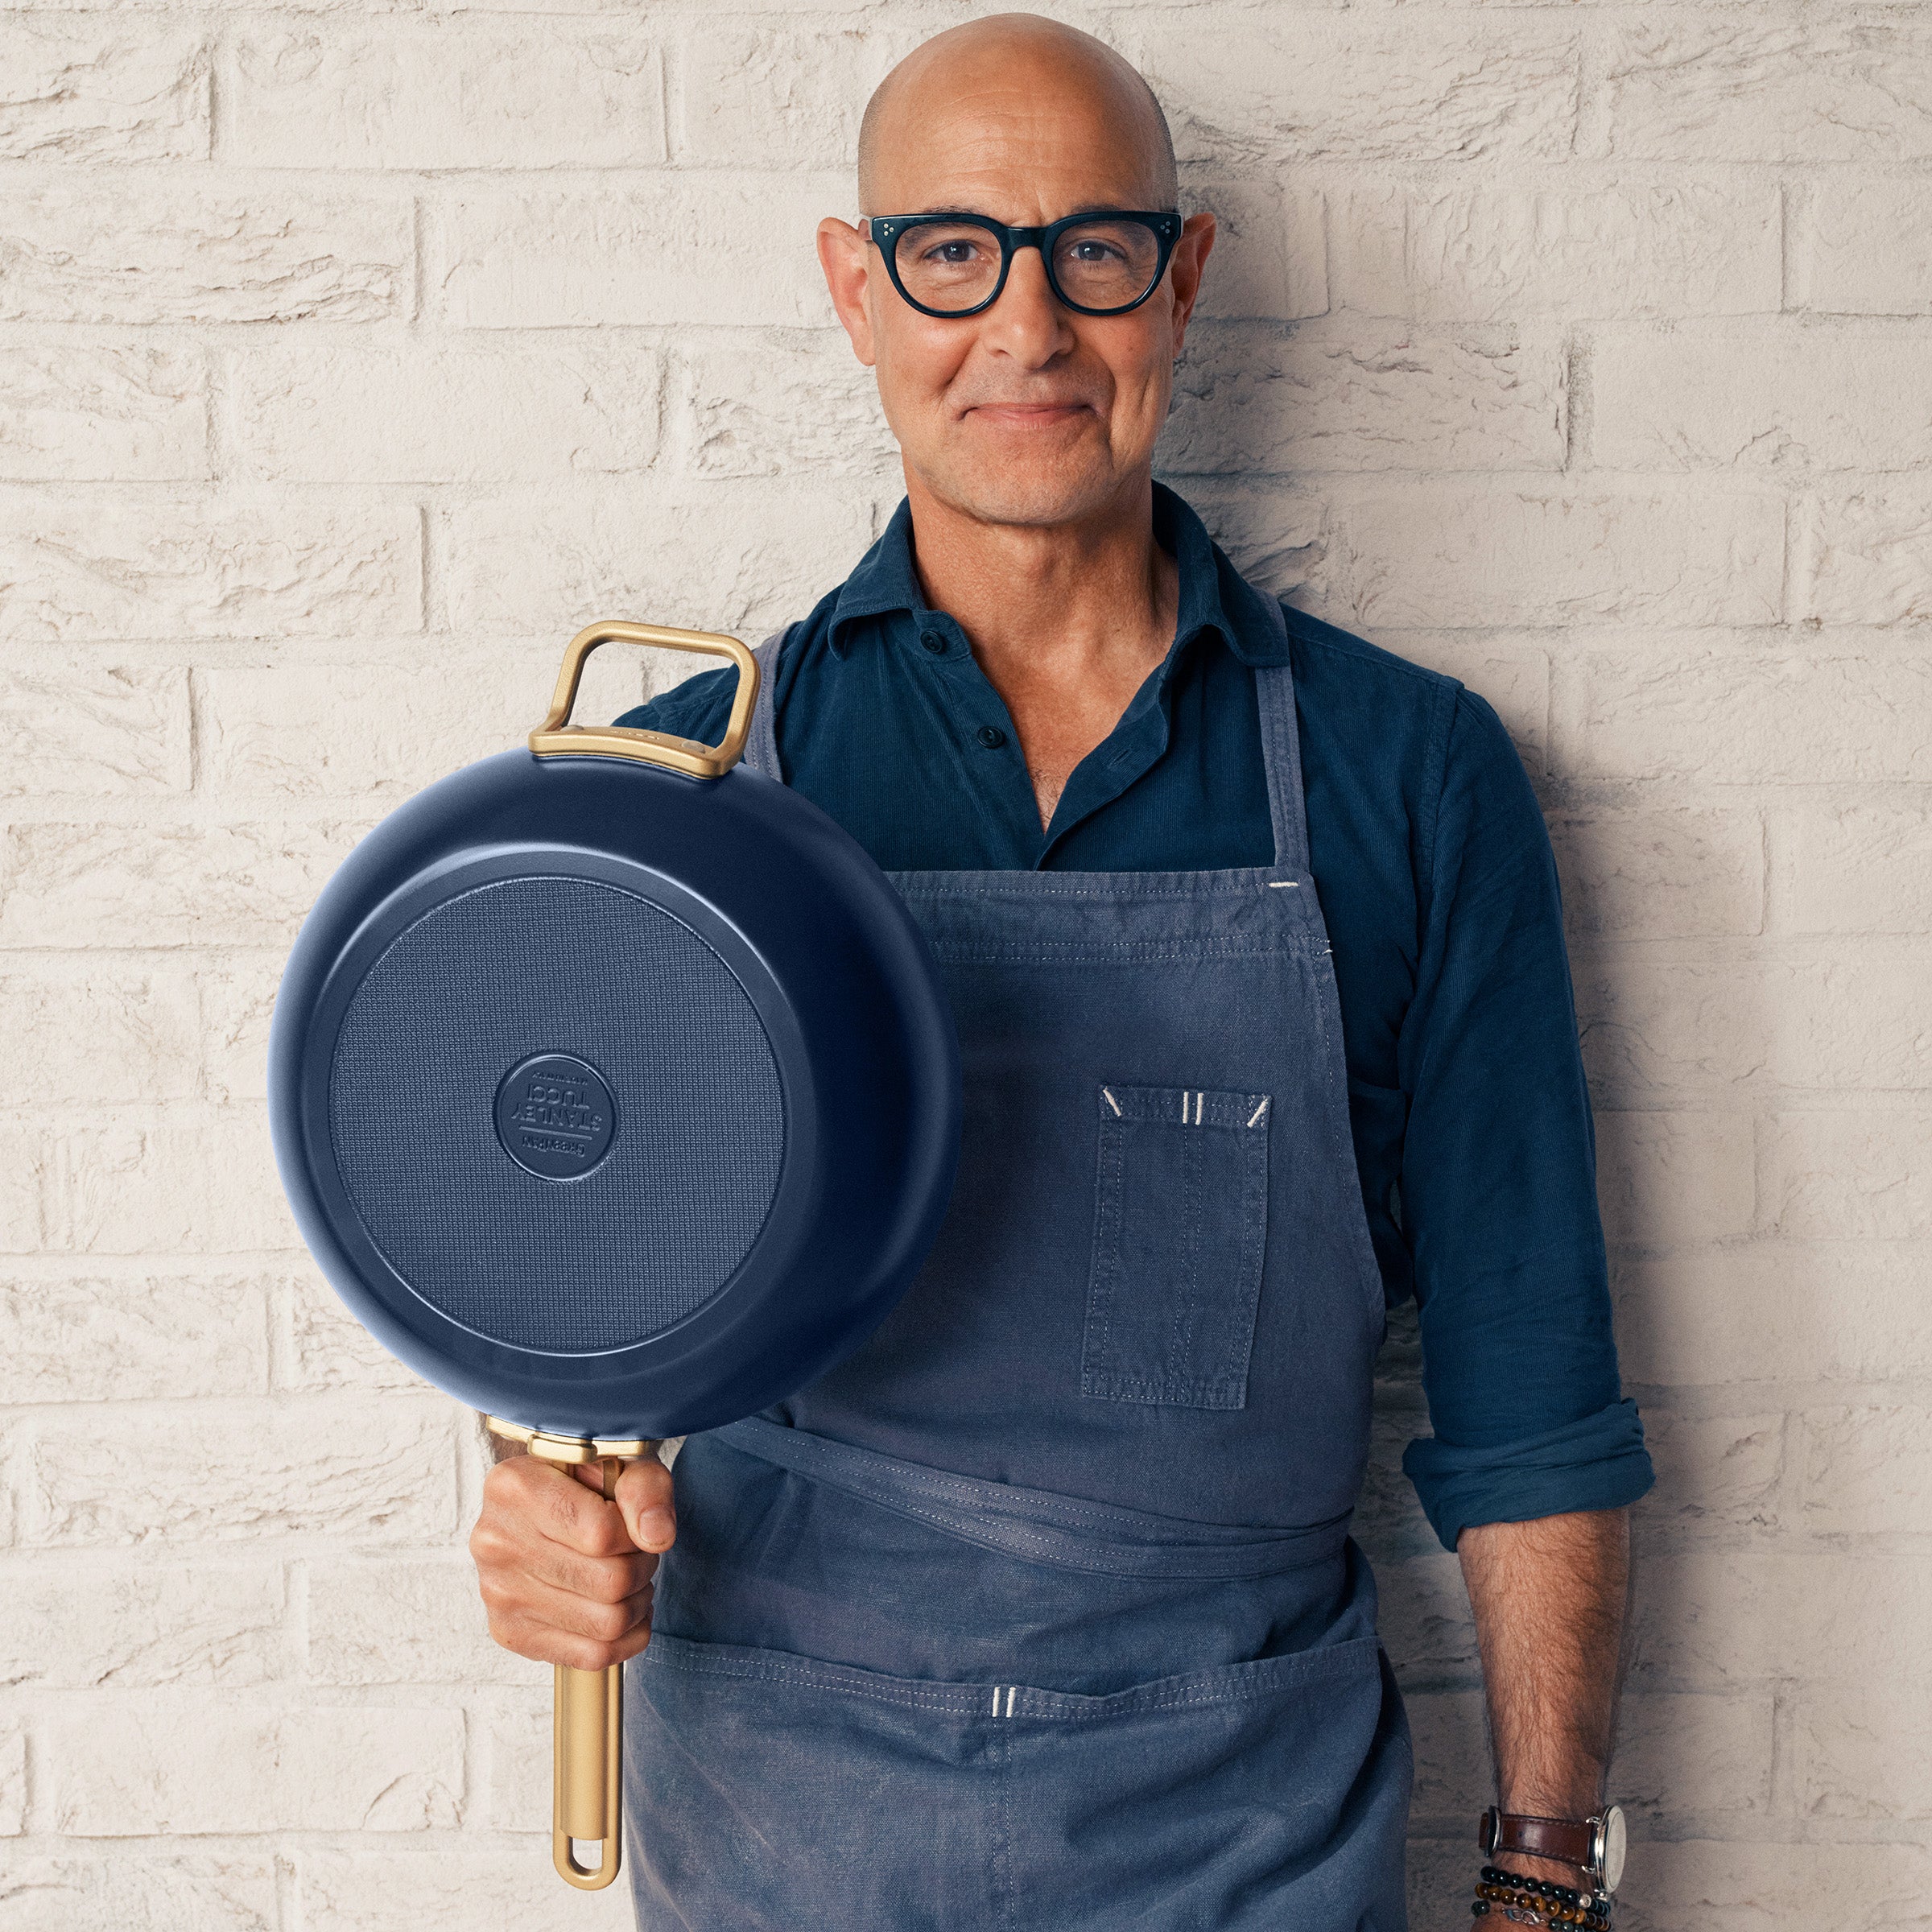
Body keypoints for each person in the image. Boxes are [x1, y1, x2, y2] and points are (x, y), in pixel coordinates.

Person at [467, 14, 1655, 1927]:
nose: (1025, 328)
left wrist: (1544, 1875)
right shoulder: (680, 796)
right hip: (787, 1836)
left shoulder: (1411, 776)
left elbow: (1532, 1396)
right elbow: (551, 1300)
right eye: (952, 252)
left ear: (1180, 283)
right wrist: (540, 1507)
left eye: (1093, 250)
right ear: (856, 293)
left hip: (1249, 1838)